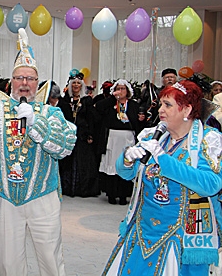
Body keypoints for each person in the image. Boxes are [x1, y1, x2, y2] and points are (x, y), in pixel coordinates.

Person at [0, 28, 77, 275]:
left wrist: (35, 124)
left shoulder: (51, 113)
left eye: (30, 78)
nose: (24, 83)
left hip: (42, 195)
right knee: (8, 263)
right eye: (19, 78)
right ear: (11, 83)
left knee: (50, 259)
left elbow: (64, 147)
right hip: (7, 198)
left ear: (37, 83)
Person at [102, 80, 222, 276]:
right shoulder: (154, 136)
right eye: (160, 104)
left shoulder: (206, 140)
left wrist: (165, 161)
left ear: (187, 110)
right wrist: (127, 160)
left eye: (168, 105)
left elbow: (210, 184)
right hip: (143, 231)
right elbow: (126, 175)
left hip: (181, 237)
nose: (160, 111)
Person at [95, 79, 143, 205]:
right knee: (112, 164)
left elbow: (138, 122)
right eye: (118, 89)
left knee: (126, 164)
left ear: (128, 91)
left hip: (127, 138)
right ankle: (111, 194)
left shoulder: (133, 105)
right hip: (113, 137)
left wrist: (141, 119)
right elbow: (98, 107)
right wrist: (113, 98)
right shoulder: (110, 104)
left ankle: (123, 195)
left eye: (123, 89)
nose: (120, 91)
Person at [58, 71, 99, 197]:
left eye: (78, 83)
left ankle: (83, 189)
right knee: (67, 162)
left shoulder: (87, 101)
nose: (76, 85)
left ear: (82, 85)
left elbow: (91, 119)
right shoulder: (64, 101)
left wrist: (90, 134)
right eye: (73, 83)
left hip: (82, 135)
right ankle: (67, 188)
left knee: (84, 162)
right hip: (68, 134)